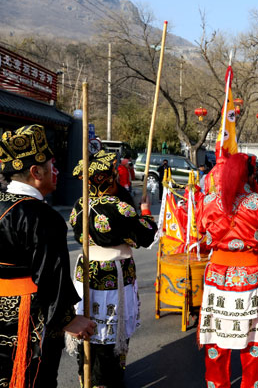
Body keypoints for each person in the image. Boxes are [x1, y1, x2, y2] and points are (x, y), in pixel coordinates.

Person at [0, 124, 95, 388]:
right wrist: (68, 318)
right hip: (28, 318)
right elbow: (51, 276)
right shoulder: (42, 217)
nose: (56, 170)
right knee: (32, 378)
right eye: (52, 164)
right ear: (35, 171)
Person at [196, 153, 258, 388]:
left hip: (217, 276)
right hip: (249, 276)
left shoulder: (207, 202)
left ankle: (216, 384)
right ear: (249, 175)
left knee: (216, 339)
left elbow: (202, 236)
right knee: (254, 341)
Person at [70, 150, 158, 387]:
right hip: (114, 274)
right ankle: (106, 381)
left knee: (87, 330)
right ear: (108, 179)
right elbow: (145, 236)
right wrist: (146, 212)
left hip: (87, 272)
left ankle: (85, 376)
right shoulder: (118, 208)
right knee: (111, 333)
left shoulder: (79, 205)